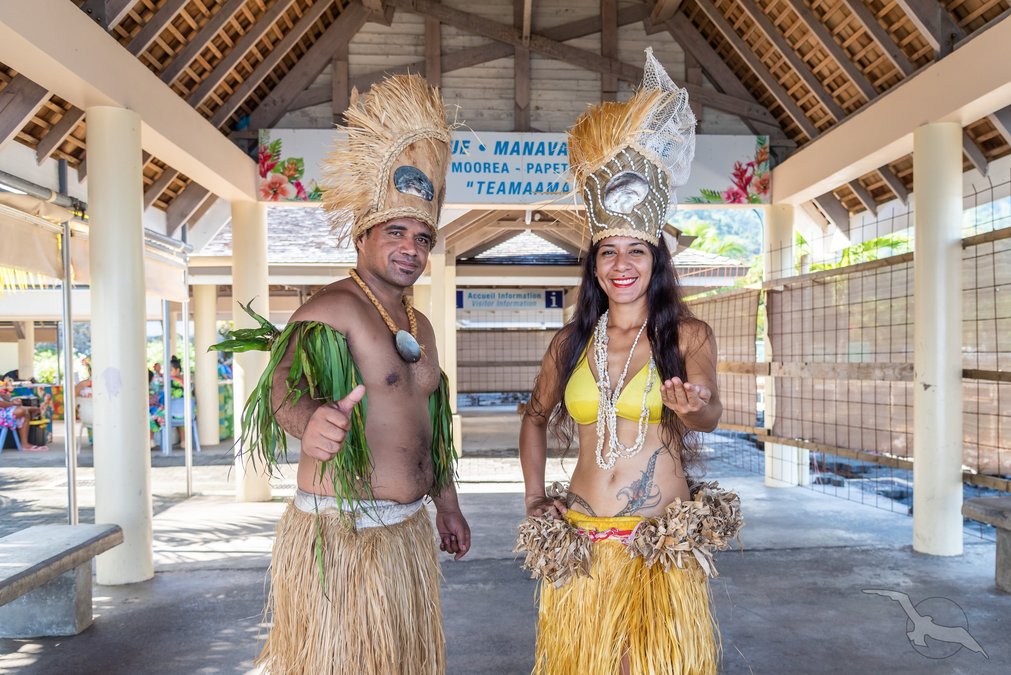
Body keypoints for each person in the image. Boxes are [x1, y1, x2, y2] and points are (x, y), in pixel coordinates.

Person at [220, 74, 469, 674]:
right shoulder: (332, 307)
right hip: (343, 540)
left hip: (405, 535)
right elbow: (283, 387)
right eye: (396, 232)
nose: (411, 248)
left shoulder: (420, 325)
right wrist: (310, 421)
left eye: (422, 238)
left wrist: (448, 504)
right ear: (363, 235)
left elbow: (431, 426)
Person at [516, 49, 742, 675]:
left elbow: (710, 414)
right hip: (583, 542)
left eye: (636, 250)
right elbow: (534, 418)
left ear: (656, 260)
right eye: (608, 251)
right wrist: (534, 497)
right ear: (593, 264)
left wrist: (693, 408)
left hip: (658, 546)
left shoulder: (688, 335)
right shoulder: (570, 344)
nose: (622, 263)